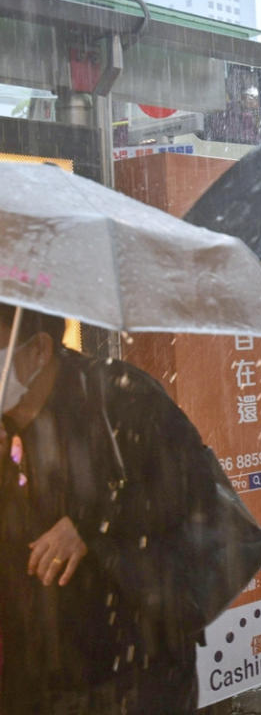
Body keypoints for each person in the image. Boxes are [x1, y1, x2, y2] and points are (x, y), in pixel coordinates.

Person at [0, 305, 217, 714]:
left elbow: (193, 490)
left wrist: (90, 524)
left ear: (39, 350)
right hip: (36, 672)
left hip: (136, 666)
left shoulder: (120, 396)